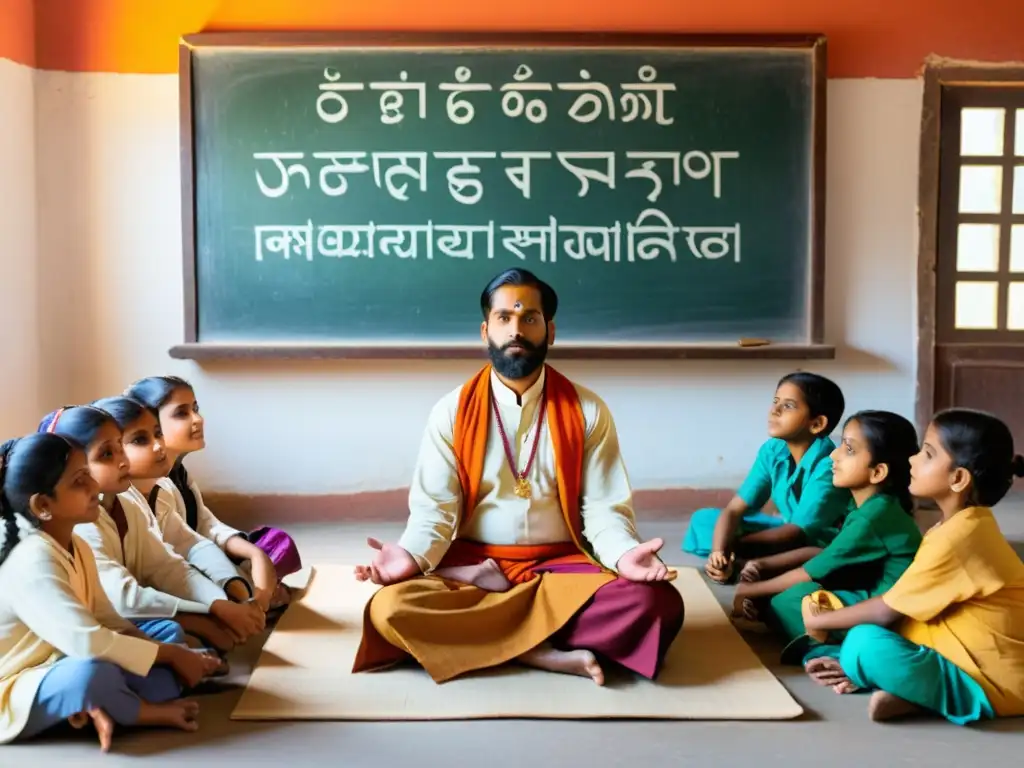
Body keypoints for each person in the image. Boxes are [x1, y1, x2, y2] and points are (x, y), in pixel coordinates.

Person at [352, 268, 683, 686]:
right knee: (389, 609)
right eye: (505, 318)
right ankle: (538, 651)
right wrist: (411, 556)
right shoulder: (451, 411)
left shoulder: (588, 410)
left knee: (657, 604)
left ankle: (493, 640)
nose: (516, 330)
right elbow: (434, 511)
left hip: (562, 566)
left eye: (529, 319)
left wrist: (622, 555)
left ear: (551, 330)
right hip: (476, 564)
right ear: (485, 330)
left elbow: (602, 509)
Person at [0, 434, 220, 750]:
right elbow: (90, 642)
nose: (93, 486)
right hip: (21, 681)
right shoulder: (32, 559)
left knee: (166, 631)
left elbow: (109, 621)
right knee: (92, 673)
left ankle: (98, 706)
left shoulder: (76, 545)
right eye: (79, 481)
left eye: (88, 474)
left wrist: (171, 652)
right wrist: (172, 656)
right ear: (43, 505)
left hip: (64, 656)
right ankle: (138, 711)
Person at [804, 408, 1024, 725]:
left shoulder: (961, 537)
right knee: (855, 645)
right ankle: (907, 688)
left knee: (863, 643)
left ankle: (931, 697)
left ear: (958, 479)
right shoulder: (960, 525)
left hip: (995, 681)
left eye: (927, 454)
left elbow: (887, 610)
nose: (912, 460)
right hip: (963, 652)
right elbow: (914, 607)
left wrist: (821, 621)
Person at [38, 406, 264, 653]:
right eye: (106, 454)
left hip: (127, 615)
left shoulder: (128, 500)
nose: (122, 460)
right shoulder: (80, 522)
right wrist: (206, 614)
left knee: (207, 630)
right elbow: (122, 599)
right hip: (90, 629)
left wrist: (218, 602)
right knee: (175, 635)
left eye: (119, 447)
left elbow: (167, 565)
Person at [730, 411, 922, 670]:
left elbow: (809, 571)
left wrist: (748, 590)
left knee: (792, 598)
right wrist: (763, 565)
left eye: (849, 449)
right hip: (862, 587)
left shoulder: (874, 516)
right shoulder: (868, 504)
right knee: (780, 589)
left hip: (883, 613)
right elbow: (822, 554)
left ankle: (832, 650)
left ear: (877, 472)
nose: (834, 454)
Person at [125, 376, 300, 613]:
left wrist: (254, 553)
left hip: (202, 554)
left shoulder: (180, 474)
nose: (198, 419)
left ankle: (253, 591)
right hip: (182, 567)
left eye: (195, 409)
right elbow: (172, 558)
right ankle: (248, 596)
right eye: (181, 413)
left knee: (276, 543)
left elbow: (207, 525)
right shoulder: (148, 486)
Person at [683, 372, 850, 584]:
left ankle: (747, 564)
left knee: (812, 556)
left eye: (788, 406)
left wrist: (732, 547)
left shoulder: (828, 466)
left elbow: (796, 533)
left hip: (815, 543)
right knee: (705, 520)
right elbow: (734, 509)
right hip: (786, 530)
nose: (774, 410)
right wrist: (718, 552)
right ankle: (744, 562)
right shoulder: (773, 450)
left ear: (817, 423)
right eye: (775, 401)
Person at [93, 396, 255, 603]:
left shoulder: (164, 487)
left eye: (158, 434)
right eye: (140, 440)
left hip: (164, 586)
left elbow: (192, 544)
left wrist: (231, 586)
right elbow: (128, 592)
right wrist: (216, 606)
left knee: (263, 556)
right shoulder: (110, 506)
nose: (159, 446)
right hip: (132, 603)